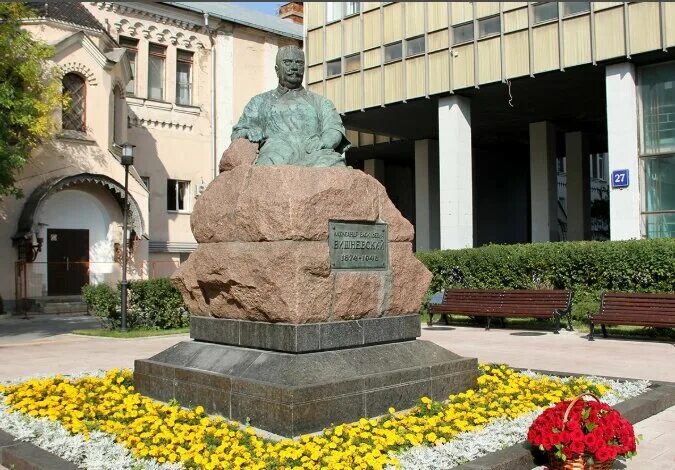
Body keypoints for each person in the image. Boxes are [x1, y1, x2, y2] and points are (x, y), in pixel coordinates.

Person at [231, 45, 350, 167]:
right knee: (266, 171)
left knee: (335, 166)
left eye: (299, 63)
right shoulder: (259, 101)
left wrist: (325, 142)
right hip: (276, 153)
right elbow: (238, 132)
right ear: (277, 69)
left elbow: (334, 128)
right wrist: (249, 132)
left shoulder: (321, 102)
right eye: (288, 62)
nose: (294, 67)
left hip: (314, 152)